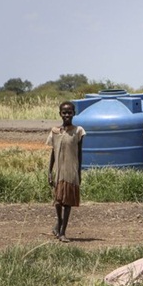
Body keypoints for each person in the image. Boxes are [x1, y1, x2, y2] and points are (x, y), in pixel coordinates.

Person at [47, 101, 86, 243]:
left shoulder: (78, 131)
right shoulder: (55, 132)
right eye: (64, 112)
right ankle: (59, 222)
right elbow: (53, 152)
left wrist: (79, 172)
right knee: (57, 202)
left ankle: (62, 232)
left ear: (74, 113)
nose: (67, 115)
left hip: (71, 171)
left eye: (69, 112)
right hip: (59, 172)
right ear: (60, 114)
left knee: (67, 203)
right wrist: (49, 172)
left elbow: (79, 153)